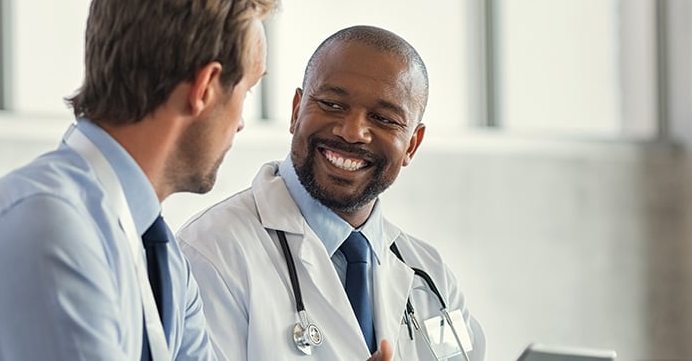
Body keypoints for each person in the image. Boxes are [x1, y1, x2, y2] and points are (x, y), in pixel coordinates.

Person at [0, 0, 278, 360]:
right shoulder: (49, 227)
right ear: (205, 87)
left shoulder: (161, 256)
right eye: (246, 92)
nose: (240, 123)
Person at [177, 25, 486, 360]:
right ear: (296, 111)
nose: (352, 132)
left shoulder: (431, 277)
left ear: (412, 144)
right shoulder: (211, 253)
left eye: (383, 118)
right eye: (332, 104)